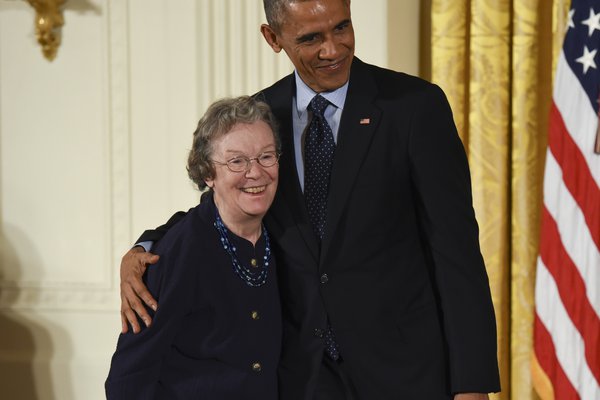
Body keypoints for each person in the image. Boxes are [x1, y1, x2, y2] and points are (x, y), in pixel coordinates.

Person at [119, 0, 502, 399]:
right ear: (273, 38)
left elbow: (456, 251)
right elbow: (219, 205)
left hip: (407, 373)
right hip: (305, 377)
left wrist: (471, 385)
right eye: (311, 38)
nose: (333, 49)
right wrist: (145, 247)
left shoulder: (413, 107)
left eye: (342, 28)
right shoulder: (262, 115)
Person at [106, 96, 283, 399]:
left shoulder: (282, 228)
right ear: (208, 174)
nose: (255, 172)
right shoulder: (178, 251)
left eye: (266, 156)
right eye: (236, 161)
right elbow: (130, 375)